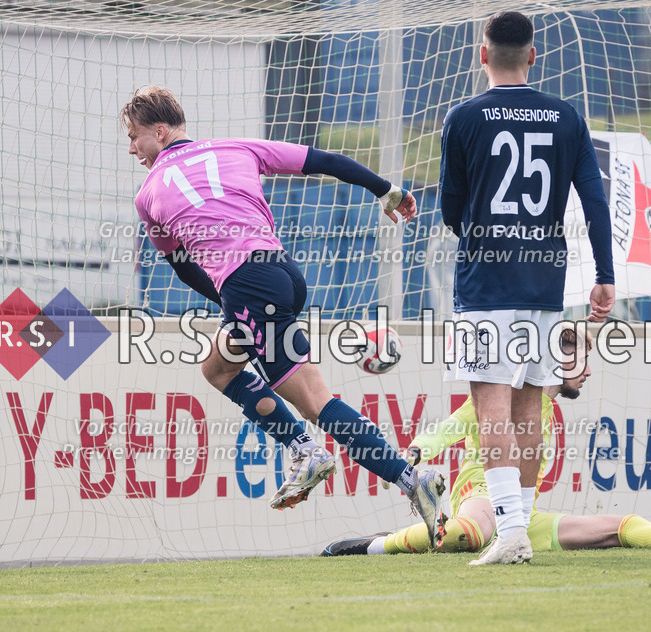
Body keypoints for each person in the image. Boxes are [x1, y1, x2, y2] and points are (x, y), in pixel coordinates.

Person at [122, 87, 448, 542]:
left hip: (247, 287)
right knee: (218, 367)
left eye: (136, 136)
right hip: (282, 273)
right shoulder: (237, 147)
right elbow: (325, 161)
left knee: (314, 401)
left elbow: (184, 269)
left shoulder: (148, 196)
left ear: (159, 132)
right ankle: (340, 460)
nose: (132, 147)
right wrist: (387, 190)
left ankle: (384, 472)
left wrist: (236, 303)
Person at [322, 323, 651, 556]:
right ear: (555, 358)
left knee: (621, 528)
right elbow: (445, 429)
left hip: (524, 518)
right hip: (482, 499)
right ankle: (372, 545)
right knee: (467, 535)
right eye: (580, 358)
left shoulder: (545, 407)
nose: (589, 368)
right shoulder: (503, 397)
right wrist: (414, 453)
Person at [437, 10, 616, 564]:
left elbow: (449, 210)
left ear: (481, 55)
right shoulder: (566, 117)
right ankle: (522, 521)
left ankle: (512, 532)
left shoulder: (464, 117)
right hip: (544, 284)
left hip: (487, 285)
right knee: (529, 409)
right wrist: (604, 276)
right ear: (533, 56)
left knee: (491, 409)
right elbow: (594, 201)